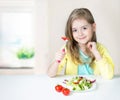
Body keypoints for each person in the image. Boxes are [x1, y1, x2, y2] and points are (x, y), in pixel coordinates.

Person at [47, 8, 114, 79]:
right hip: (74, 88)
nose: (80, 33)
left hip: (95, 87)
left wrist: (96, 53)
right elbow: (50, 74)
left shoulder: (101, 49)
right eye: (75, 30)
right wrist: (57, 61)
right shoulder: (67, 48)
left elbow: (108, 76)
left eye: (84, 28)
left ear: (93, 27)